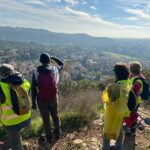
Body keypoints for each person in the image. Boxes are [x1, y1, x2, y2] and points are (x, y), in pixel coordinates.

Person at [31, 53, 64, 142]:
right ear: (49, 60)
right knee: (55, 115)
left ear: (40, 61)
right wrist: (53, 57)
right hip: (53, 97)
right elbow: (62, 64)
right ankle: (57, 133)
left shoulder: (36, 72)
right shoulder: (55, 69)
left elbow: (33, 88)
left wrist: (33, 102)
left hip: (42, 98)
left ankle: (49, 136)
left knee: (45, 119)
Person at [0, 64, 31, 150]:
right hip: (27, 117)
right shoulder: (25, 82)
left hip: (11, 123)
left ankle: (16, 145)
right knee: (15, 136)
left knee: (15, 144)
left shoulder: (1, 87)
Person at [102, 62, 131, 150]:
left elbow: (108, 100)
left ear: (116, 74)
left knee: (106, 132)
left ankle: (105, 148)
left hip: (112, 113)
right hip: (123, 112)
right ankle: (119, 147)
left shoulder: (115, 87)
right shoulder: (128, 84)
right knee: (120, 129)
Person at [127, 61, 149, 135]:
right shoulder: (134, 77)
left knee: (133, 114)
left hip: (134, 101)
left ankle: (132, 131)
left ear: (131, 69)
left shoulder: (138, 80)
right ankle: (130, 127)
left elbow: (135, 91)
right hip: (133, 100)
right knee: (131, 114)